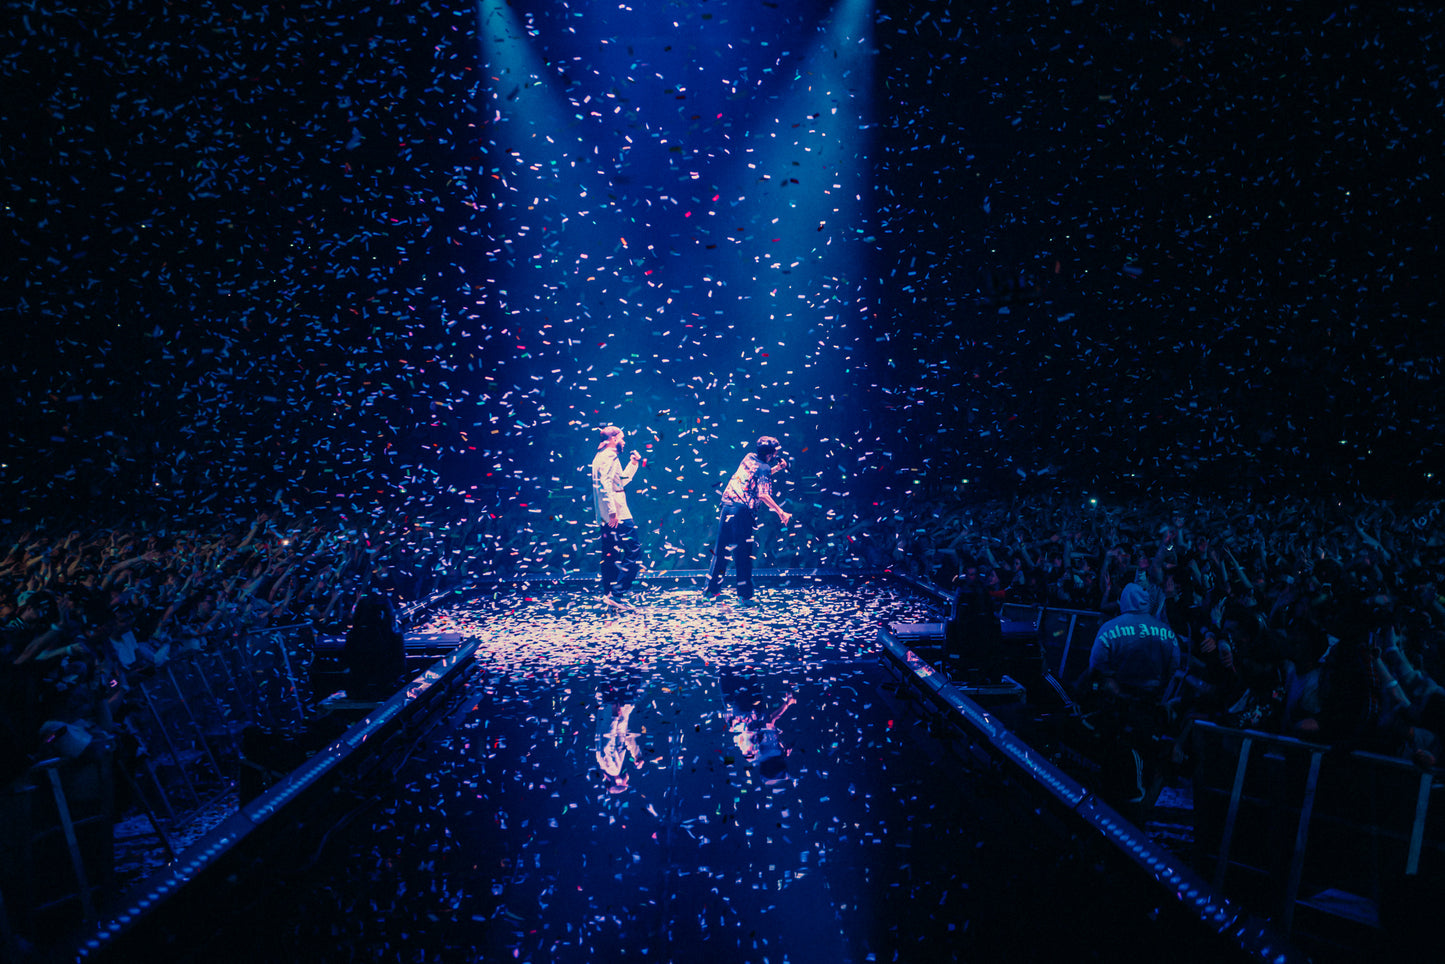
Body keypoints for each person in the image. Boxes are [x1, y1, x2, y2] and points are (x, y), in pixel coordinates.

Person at [705, 436, 792, 602]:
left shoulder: (749, 457)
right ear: (770, 453)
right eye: (775, 452)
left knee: (721, 551)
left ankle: (711, 591)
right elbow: (763, 493)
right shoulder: (764, 468)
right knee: (742, 553)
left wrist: (776, 469)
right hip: (741, 512)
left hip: (727, 505)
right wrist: (781, 512)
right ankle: (745, 595)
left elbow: (754, 480)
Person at [591, 425, 644, 606]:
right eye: (621, 438)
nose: (624, 441)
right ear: (613, 439)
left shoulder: (602, 456)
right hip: (617, 513)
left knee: (610, 554)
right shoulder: (608, 456)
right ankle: (617, 592)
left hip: (607, 514)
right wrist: (613, 511)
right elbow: (604, 485)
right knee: (633, 550)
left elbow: (619, 481)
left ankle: (609, 594)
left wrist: (633, 464)